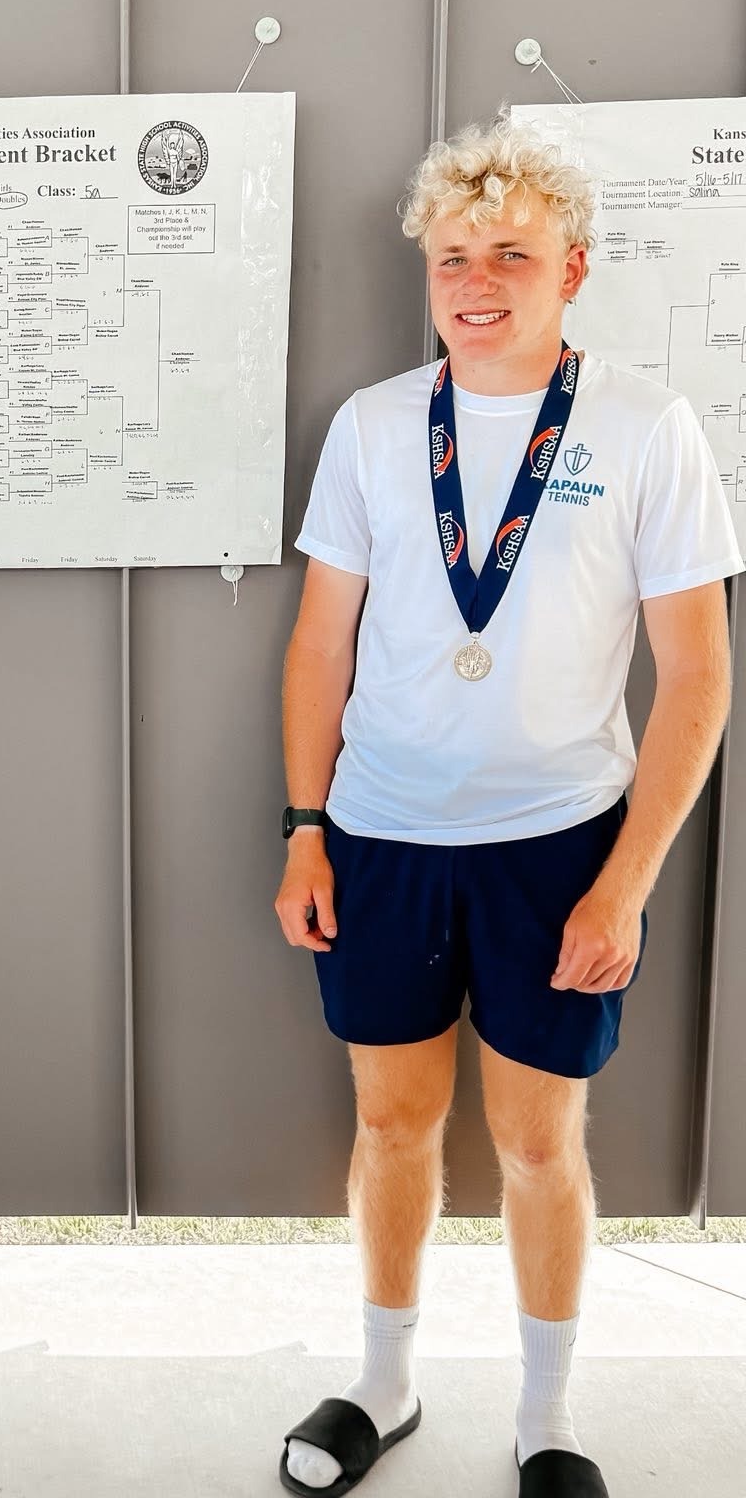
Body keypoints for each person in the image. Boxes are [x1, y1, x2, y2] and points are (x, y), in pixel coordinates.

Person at [274, 117, 740, 1498]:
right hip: (383, 837)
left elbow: (698, 675)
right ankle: (385, 1382)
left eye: (513, 257)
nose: (478, 284)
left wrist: (625, 885)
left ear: (573, 269)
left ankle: (548, 1416)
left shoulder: (647, 427)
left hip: (559, 846)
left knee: (539, 1141)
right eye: (454, 258)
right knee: (391, 1125)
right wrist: (305, 828)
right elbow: (320, 644)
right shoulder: (374, 428)